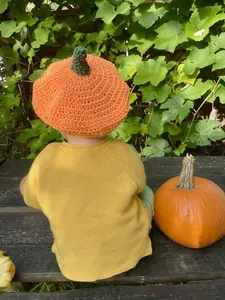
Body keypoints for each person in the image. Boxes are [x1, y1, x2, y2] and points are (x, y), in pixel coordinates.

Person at [20, 46, 154, 282]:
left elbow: (32, 199)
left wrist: (27, 183)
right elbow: (140, 185)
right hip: (129, 252)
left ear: (56, 120)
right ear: (113, 116)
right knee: (148, 194)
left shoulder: (48, 160)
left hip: (73, 263)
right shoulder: (123, 154)